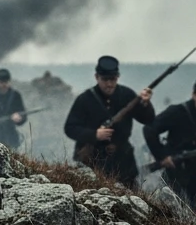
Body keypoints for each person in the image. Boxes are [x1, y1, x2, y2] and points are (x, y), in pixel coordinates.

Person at [143, 76, 196, 217]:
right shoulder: (176, 112)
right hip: (176, 173)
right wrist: (162, 156)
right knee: (170, 216)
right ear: (194, 94)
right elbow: (150, 129)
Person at [64, 56, 154, 186]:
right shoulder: (84, 99)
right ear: (97, 77)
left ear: (117, 77)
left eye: (113, 79)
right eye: (105, 79)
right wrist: (94, 135)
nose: (109, 84)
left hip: (123, 162)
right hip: (93, 161)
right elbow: (70, 128)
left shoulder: (127, 95)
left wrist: (145, 104)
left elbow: (147, 119)